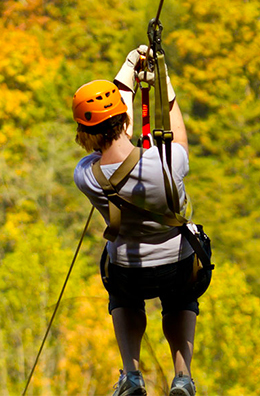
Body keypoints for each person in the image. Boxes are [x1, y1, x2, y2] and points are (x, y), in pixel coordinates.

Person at [72, 46, 201, 396]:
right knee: (180, 301)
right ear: (126, 121)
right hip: (176, 261)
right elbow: (179, 138)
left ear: (87, 133)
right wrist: (164, 84)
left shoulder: (86, 175)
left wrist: (128, 69)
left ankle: (131, 374)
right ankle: (183, 376)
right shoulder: (166, 162)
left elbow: (114, 118)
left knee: (124, 300)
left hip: (128, 267)